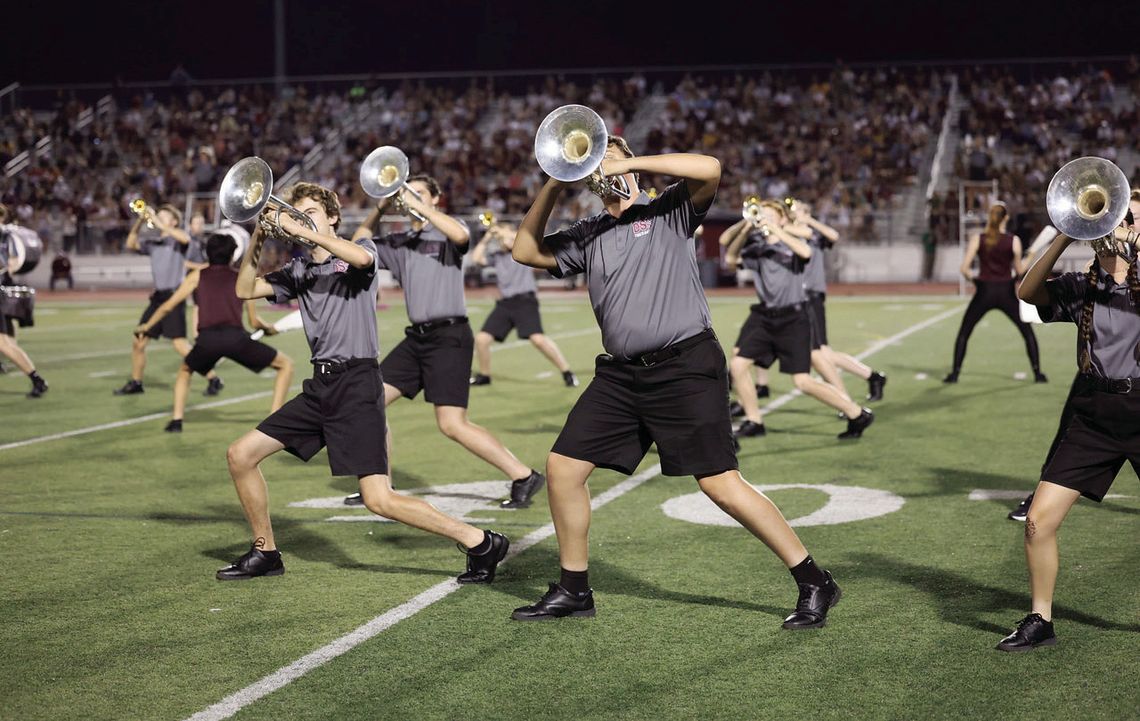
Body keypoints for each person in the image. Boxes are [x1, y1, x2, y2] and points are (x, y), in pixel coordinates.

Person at [508, 136, 841, 628]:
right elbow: (523, 251)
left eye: (606, 159)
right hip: (620, 375)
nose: (603, 170)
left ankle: (814, 579)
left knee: (721, 485)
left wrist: (627, 161)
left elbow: (709, 167)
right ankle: (574, 589)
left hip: (685, 365)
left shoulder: (668, 210)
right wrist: (557, 179)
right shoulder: (588, 231)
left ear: (633, 169)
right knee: (562, 469)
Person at [218, 181, 510, 583]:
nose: (299, 218)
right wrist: (259, 236)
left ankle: (479, 541)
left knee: (379, 499)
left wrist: (304, 231)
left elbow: (357, 255)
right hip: (320, 386)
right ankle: (265, 550)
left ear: (333, 217)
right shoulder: (300, 269)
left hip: (357, 384)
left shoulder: (360, 254)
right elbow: (244, 288)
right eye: (296, 212)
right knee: (240, 455)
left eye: (310, 212)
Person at [341, 174, 546, 511]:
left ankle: (523, 475)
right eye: (407, 193)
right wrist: (379, 207)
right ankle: (379, 486)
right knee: (367, 401)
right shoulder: (401, 241)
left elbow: (462, 234)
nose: (410, 197)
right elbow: (359, 243)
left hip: (449, 336)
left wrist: (421, 208)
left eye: (420, 192)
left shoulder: (448, 231)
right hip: (416, 339)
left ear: (435, 199)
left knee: (451, 424)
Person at [997, 207, 1137, 651]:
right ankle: (1041, 619)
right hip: (1094, 414)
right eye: (1118, 216)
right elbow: (1027, 291)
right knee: (1038, 522)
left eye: (1131, 219)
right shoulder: (1082, 285)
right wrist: (1064, 235)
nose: (1122, 225)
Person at [721, 201, 874, 440]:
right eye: (763, 215)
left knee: (802, 381)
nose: (766, 219)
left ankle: (856, 413)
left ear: (782, 219)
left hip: (794, 317)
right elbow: (730, 259)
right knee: (738, 365)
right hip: (765, 316)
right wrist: (745, 228)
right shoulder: (757, 247)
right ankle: (754, 420)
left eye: (771, 215)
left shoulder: (792, 243)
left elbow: (806, 253)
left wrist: (776, 229)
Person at [134, 233, 293, 433]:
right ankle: (273, 419)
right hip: (236, 338)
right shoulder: (241, 278)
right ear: (232, 254)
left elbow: (167, 306)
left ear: (207, 253)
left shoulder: (197, 276)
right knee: (285, 365)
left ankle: (176, 420)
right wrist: (268, 329)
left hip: (207, 340)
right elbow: (254, 321)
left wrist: (146, 326)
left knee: (185, 371)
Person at [113, 203, 223, 396]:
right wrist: (140, 220)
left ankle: (213, 378)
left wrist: (157, 222)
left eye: (164, 216)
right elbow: (131, 244)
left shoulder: (177, 240)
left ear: (173, 221)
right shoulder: (154, 243)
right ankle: (136, 382)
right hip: (157, 297)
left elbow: (185, 237)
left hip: (173, 296)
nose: (159, 218)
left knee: (179, 345)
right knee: (138, 340)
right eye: (159, 216)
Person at [792, 200, 887, 403]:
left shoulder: (814, 234)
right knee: (823, 353)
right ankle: (871, 377)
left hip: (812, 295)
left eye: (798, 209)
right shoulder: (789, 233)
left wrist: (808, 220)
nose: (793, 212)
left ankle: (852, 391)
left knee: (820, 353)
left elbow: (834, 235)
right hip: (800, 298)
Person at [944, 202, 1045, 384]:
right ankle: (1038, 374)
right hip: (1006, 291)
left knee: (964, 332)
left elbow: (964, 269)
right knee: (1027, 332)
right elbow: (1020, 270)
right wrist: (1030, 256)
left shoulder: (978, 238)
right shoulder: (1013, 240)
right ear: (1006, 218)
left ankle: (954, 374)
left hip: (984, 292)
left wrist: (975, 281)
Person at [469, 220, 578, 387]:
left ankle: (567, 372)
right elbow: (476, 258)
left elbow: (519, 236)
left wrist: (503, 232)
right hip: (505, 303)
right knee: (482, 339)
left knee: (538, 340)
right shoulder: (497, 256)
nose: (502, 239)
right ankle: (485, 375)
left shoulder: (521, 251)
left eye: (504, 235)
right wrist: (487, 238)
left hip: (525, 301)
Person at [0, 206, 48, 398]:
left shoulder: (5, 236)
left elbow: (9, 264)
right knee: (6, 341)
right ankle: (36, 379)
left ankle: (37, 379)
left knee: (3, 344)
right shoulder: (7, 235)